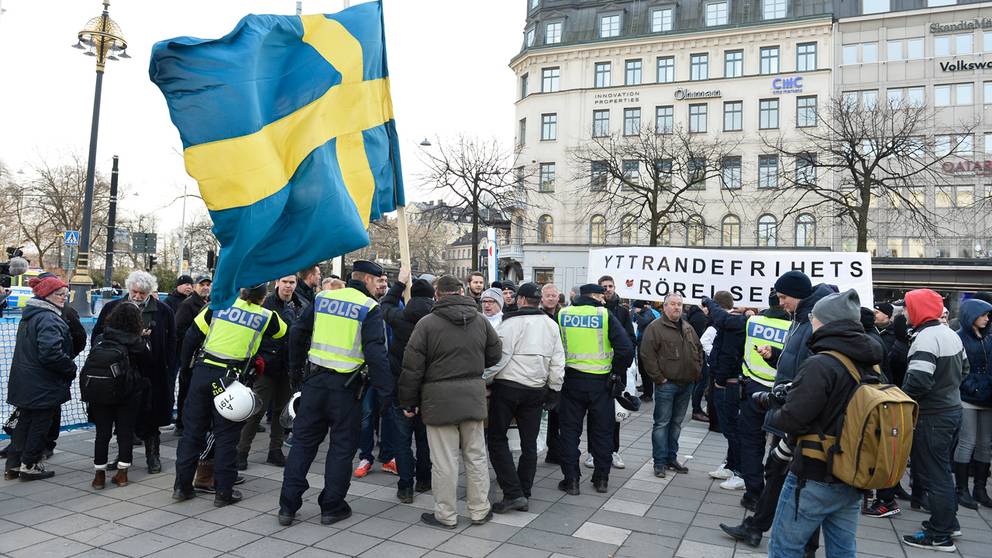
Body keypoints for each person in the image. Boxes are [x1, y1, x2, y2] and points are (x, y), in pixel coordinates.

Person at [719, 272, 833, 552]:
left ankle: (802, 544)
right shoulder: (801, 319)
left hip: (800, 414)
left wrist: (788, 400)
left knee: (792, 478)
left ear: (799, 294)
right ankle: (757, 528)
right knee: (779, 473)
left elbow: (812, 370)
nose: (780, 303)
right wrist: (776, 357)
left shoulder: (812, 322)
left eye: (784, 297)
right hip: (791, 407)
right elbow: (796, 362)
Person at [765, 289, 881, 558]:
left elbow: (794, 418)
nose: (812, 322)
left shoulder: (821, 363)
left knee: (785, 547)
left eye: (814, 317)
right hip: (852, 471)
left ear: (826, 322)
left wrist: (774, 411)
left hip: (814, 471)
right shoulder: (871, 362)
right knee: (842, 550)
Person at [278, 260, 393, 526]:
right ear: (366, 280)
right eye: (378, 281)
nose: (380, 286)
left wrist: (295, 372)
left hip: (314, 383)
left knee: (302, 445)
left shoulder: (323, 298)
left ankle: (287, 506)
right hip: (346, 390)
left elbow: (297, 332)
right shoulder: (369, 308)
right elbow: (376, 354)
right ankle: (331, 507)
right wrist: (386, 395)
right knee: (341, 449)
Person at [399, 275, 502, 528]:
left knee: (444, 461)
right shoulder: (480, 320)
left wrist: (408, 402)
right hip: (473, 398)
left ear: (438, 295)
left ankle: (445, 515)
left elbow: (412, 369)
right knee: (476, 457)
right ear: (461, 291)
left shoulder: (426, 324)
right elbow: (495, 353)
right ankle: (479, 510)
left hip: (438, 401)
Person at [173, 284, 287, 507]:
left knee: (192, 433)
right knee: (226, 436)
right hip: (229, 381)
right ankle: (223, 492)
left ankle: (182, 487)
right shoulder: (267, 316)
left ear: (241, 292)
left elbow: (191, 337)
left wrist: (186, 372)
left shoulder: (217, 306)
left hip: (203, 374)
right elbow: (282, 333)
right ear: (264, 298)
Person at [484, 282, 565, 514]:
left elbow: (499, 358)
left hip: (508, 388)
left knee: (497, 438)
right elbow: (558, 360)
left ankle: (513, 492)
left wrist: (483, 379)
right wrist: (555, 389)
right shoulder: (550, 325)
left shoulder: (510, 324)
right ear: (539, 300)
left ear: (520, 300)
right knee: (529, 443)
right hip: (536, 389)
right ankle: (524, 490)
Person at [901, 289, 967, 552]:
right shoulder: (949, 333)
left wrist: (901, 398)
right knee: (942, 471)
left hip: (933, 416)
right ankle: (948, 523)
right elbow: (965, 369)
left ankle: (940, 535)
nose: (904, 312)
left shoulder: (925, 338)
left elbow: (918, 380)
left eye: (906, 307)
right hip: (951, 410)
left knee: (935, 474)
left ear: (918, 309)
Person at [93, 271, 176, 474]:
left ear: (150, 292)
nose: (138, 296)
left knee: (151, 417)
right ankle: (123, 457)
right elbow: (98, 336)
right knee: (122, 419)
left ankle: (152, 456)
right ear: (128, 288)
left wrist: (169, 370)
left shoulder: (163, 311)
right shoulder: (113, 308)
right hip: (121, 372)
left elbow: (172, 343)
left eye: (143, 293)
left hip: (151, 372)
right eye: (134, 292)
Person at [557, 283, 634, 495]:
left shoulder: (563, 314)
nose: (605, 299)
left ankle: (571, 480)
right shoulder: (604, 315)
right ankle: (601, 479)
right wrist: (616, 373)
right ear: (595, 297)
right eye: (602, 296)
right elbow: (626, 349)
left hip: (571, 380)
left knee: (570, 432)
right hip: (601, 383)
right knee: (602, 432)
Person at [4, 276, 74, 481]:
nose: (64, 298)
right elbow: (50, 353)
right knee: (39, 424)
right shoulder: (49, 318)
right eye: (60, 294)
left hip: (26, 380)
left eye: (65, 294)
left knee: (23, 422)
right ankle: (30, 465)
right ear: (47, 296)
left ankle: (13, 465)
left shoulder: (31, 315)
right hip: (42, 383)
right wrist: (69, 367)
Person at [236, 275, 305, 470]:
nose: (288, 286)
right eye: (285, 282)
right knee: (255, 410)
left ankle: (275, 450)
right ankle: (242, 451)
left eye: (292, 283)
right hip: (265, 366)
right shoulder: (265, 304)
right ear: (277, 283)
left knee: (281, 412)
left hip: (288, 366)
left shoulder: (300, 305)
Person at [380, 267, 435, 502]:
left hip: (401, 389)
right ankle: (424, 480)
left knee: (402, 441)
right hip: (429, 391)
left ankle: (405, 487)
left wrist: (400, 284)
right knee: (425, 440)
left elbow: (385, 305)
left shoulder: (401, 318)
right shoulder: (437, 322)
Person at [732, 292, 790, 507]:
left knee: (751, 442)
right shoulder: (795, 327)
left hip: (753, 388)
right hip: (781, 391)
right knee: (780, 446)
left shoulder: (752, 321)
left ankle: (754, 492)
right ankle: (773, 492)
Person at [88, 303, 150, 489]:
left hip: (101, 392)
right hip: (128, 393)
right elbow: (149, 364)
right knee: (125, 433)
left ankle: (99, 475)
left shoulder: (101, 337)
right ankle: (122, 474)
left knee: (102, 434)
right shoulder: (137, 342)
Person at [642, 293, 704, 478]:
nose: (677, 307)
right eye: (673, 304)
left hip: (686, 384)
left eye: (680, 304)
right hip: (666, 385)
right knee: (662, 423)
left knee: (676, 424)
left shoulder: (687, 327)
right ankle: (659, 462)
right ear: (665, 306)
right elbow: (647, 355)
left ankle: (671, 458)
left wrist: (697, 371)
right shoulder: (655, 328)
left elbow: (699, 350)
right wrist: (659, 379)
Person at [952, 298, 992, 509]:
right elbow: (959, 370)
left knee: (985, 444)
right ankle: (961, 489)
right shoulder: (958, 338)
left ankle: (980, 489)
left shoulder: (989, 338)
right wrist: (973, 387)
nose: (987, 319)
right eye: (984, 315)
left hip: (987, 399)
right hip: (967, 397)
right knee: (967, 441)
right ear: (972, 315)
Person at [595, 275, 636, 469]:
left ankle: (613, 450)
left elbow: (629, 339)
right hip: (596, 369)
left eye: (610, 286)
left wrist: (623, 364)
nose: (608, 289)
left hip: (617, 370)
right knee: (596, 414)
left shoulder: (622, 311)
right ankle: (593, 453)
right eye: (604, 286)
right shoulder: (594, 311)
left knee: (616, 414)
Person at [174, 275, 212, 436]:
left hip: (205, 354)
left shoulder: (210, 304)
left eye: (208, 284)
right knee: (186, 389)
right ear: (196, 286)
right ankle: (181, 424)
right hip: (190, 354)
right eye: (202, 284)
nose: (205, 287)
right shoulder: (188, 304)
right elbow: (180, 329)